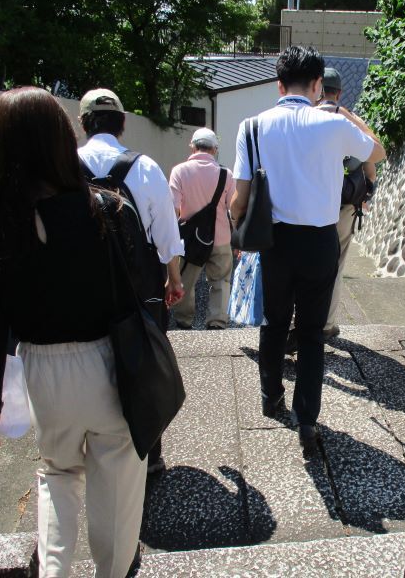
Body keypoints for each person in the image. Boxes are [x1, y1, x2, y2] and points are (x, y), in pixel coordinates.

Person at [0, 87, 147, 577]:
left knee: (57, 475)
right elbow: (138, 290)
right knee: (117, 482)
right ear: (63, 138)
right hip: (108, 364)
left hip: (41, 370)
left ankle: (54, 572)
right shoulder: (106, 210)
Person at [230, 45, 386, 454]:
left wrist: (237, 231)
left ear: (278, 85)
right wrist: (343, 113)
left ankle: (270, 398)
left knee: (274, 323)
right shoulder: (332, 126)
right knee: (313, 333)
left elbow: (238, 201)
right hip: (320, 241)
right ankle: (307, 421)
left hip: (275, 241)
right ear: (319, 85)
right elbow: (378, 150)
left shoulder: (251, 127)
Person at [78, 88, 184, 474]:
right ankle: (150, 454)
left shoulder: (65, 166)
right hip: (141, 291)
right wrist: (173, 280)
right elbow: (168, 235)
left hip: (85, 292)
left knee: (91, 364)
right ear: (122, 124)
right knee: (146, 366)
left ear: (83, 123)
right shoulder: (144, 167)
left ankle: (98, 452)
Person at [317, 67, 377, 340]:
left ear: (317, 89)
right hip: (344, 208)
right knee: (336, 264)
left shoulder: (306, 119)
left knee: (304, 260)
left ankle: (299, 320)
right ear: (339, 93)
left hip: (312, 204)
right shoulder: (351, 122)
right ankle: (326, 324)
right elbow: (371, 164)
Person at [169, 128, 235, 330]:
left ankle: (184, 321)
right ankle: (217, 321)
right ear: (215, 149)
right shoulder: (226, 174)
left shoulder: (179, 171)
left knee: (186, 282)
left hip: (191, 239)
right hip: (221, 238)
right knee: (221, 280)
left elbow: (173, 207)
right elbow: (233, 207)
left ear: (193, 146)